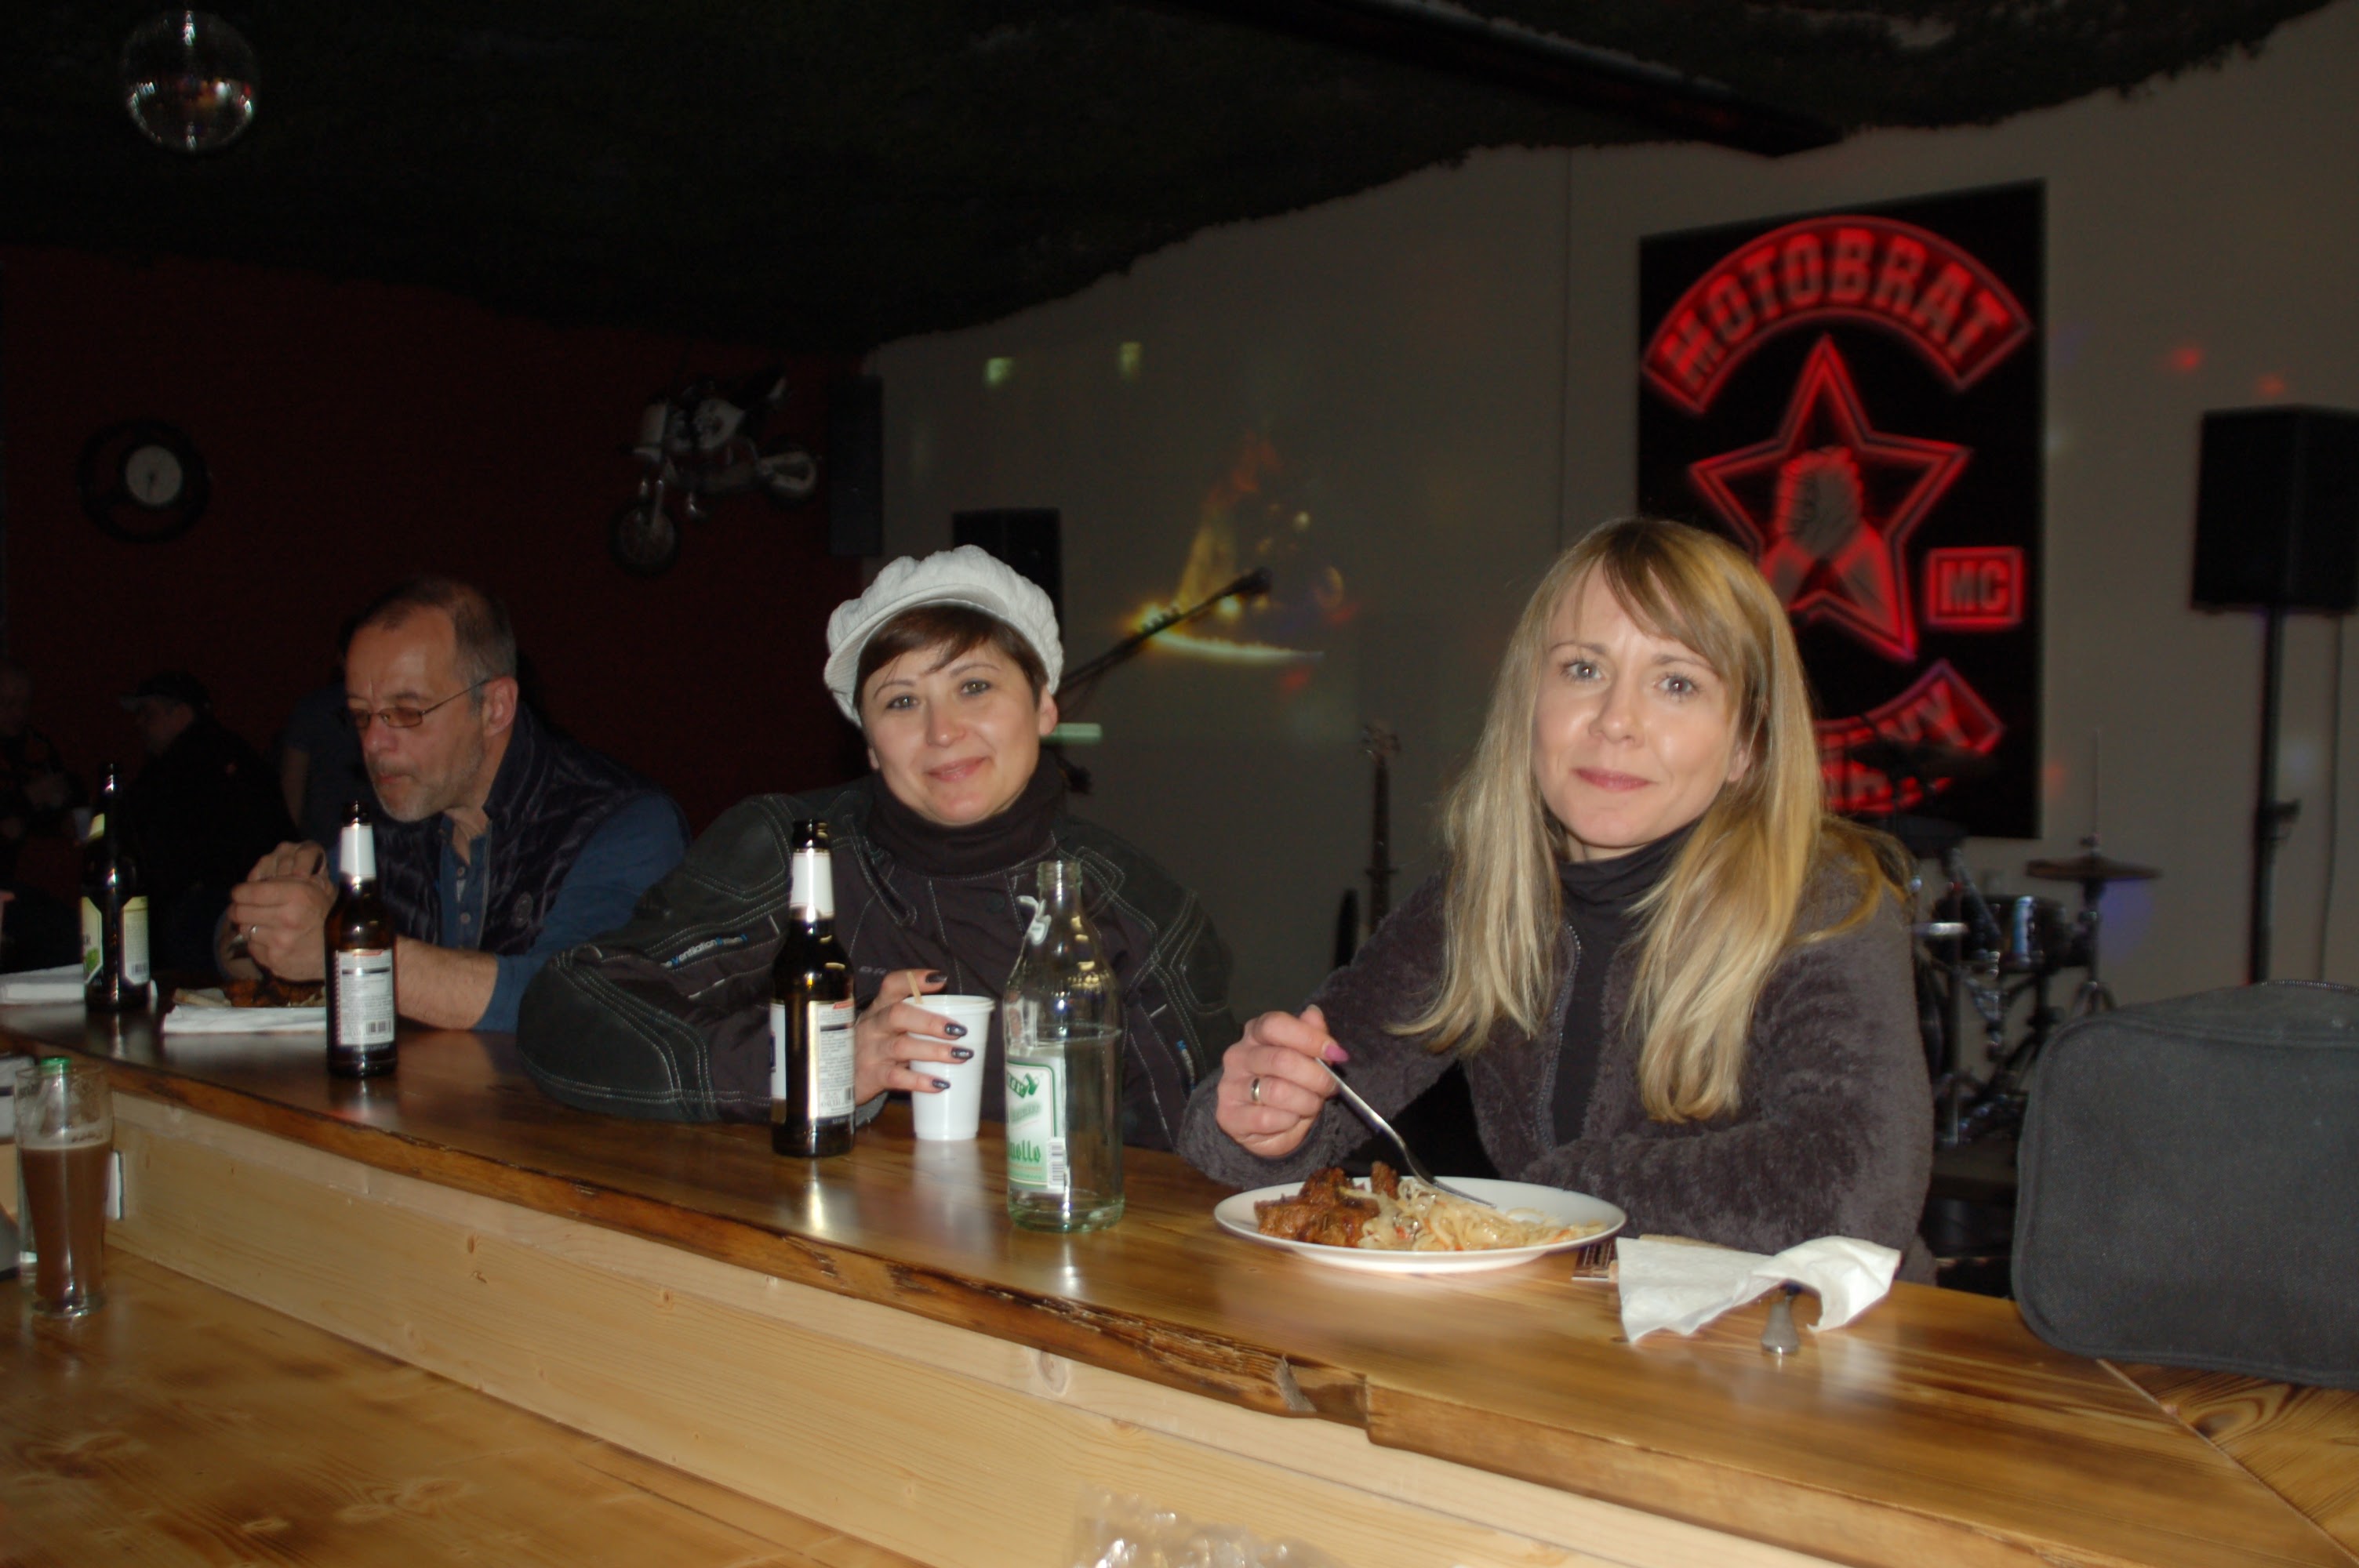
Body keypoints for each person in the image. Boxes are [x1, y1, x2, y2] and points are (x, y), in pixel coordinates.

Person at [1178, 517, 1932, 1267]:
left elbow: (1859, 1188)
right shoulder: (1481, 899)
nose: (1616, 721)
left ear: (1747, 744)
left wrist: (1565, 1196)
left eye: (1676, 683)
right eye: (1583, 669)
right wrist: (1260, 1118)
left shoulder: (1823, 904)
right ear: (1529, 701)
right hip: (1573, 1327)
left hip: (1805, 1332)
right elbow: (1280, 1118)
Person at [518, 546, 1237, 1150]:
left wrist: (1267, 1119)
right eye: (901, 701)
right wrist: (818, 1065)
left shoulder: (1140, 911)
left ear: (1044, 705)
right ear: (868, 742)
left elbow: (1204, 1152)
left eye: (974, 686)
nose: (942, 730)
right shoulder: (796, 857)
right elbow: (571, 1007)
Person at [224, 579, 688, 1032]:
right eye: (362, 716)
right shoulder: (397, 818)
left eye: (406, 712)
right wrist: (270, 912)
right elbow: (230, 947)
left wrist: (351, 948)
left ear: (495, 707)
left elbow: (574, 1000)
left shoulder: (624, 822)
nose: (374, 744)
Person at [119, 670, 295, 974]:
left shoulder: (179, 764)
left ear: (181, 714)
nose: (139, 724)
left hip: (212, 909)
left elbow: (147, 836)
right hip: (261, 901)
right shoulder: (235, 751)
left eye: (148, 714)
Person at [0, 661, 84, 970]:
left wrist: (65, 819)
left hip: (41, 880)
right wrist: (26, 800)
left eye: (24, 704)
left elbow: (69, 796)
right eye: (8, 704)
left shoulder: (39, 747)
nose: (17, 713)